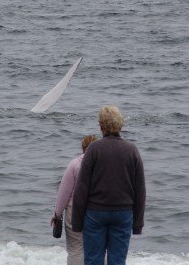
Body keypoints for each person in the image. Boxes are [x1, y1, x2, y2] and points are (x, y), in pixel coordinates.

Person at [72, 105, 146, 265]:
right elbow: (140, 190)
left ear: (101, 126)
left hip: (95, 213)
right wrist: (138, 223)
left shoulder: (93, 149)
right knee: (118, 261)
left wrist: (77, 223)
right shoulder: (132, 150)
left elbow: (81, 188)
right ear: (121, 125)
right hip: (123, 213)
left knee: (93, 260)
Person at [52, 135, 98, 265]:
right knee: (99, 249)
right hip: (97, 211)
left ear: (82, 147)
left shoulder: (75, 164)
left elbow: (64, 192)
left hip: (74, 211)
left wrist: (57, 214)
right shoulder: (103, 166)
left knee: (75, 249)